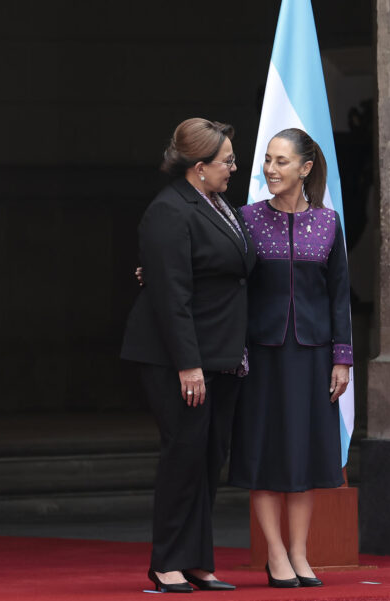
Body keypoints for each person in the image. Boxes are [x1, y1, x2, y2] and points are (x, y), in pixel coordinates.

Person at [120, 118, 256, 593]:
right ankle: (167, 563)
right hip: (177, 358)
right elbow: (170, 295)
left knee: (207, 456)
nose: (234, 168)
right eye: (227, 161)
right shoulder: (169, 210)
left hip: (221, 353)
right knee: (183, 454)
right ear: (199, 167)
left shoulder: (221, 206)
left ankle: (197, 559)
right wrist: (188, 364)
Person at [228, 128, 353, 588]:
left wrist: (342, 359)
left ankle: (300, 553)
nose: (270, 169)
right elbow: (223, 280)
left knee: (303, 457)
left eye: (282, 161)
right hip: (259, 356)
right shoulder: (245, 219)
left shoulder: (329, 223)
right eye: (267, 159)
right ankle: (275, 553)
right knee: (265, 454)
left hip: (314, 357)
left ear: (305, 169)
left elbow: (340, 296)